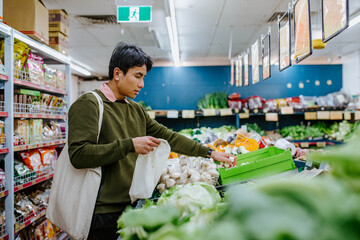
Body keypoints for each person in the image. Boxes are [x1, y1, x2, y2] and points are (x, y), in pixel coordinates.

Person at [68, 42, 236, 240]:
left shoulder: (135, 109)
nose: (142, 84)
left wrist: (209, 152)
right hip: (100, 212)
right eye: (137, 76)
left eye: (144, 77)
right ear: (117, 73)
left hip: (132, 205)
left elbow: (169, 137)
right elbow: (78, 155)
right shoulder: (89, 104)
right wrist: (129, 145)